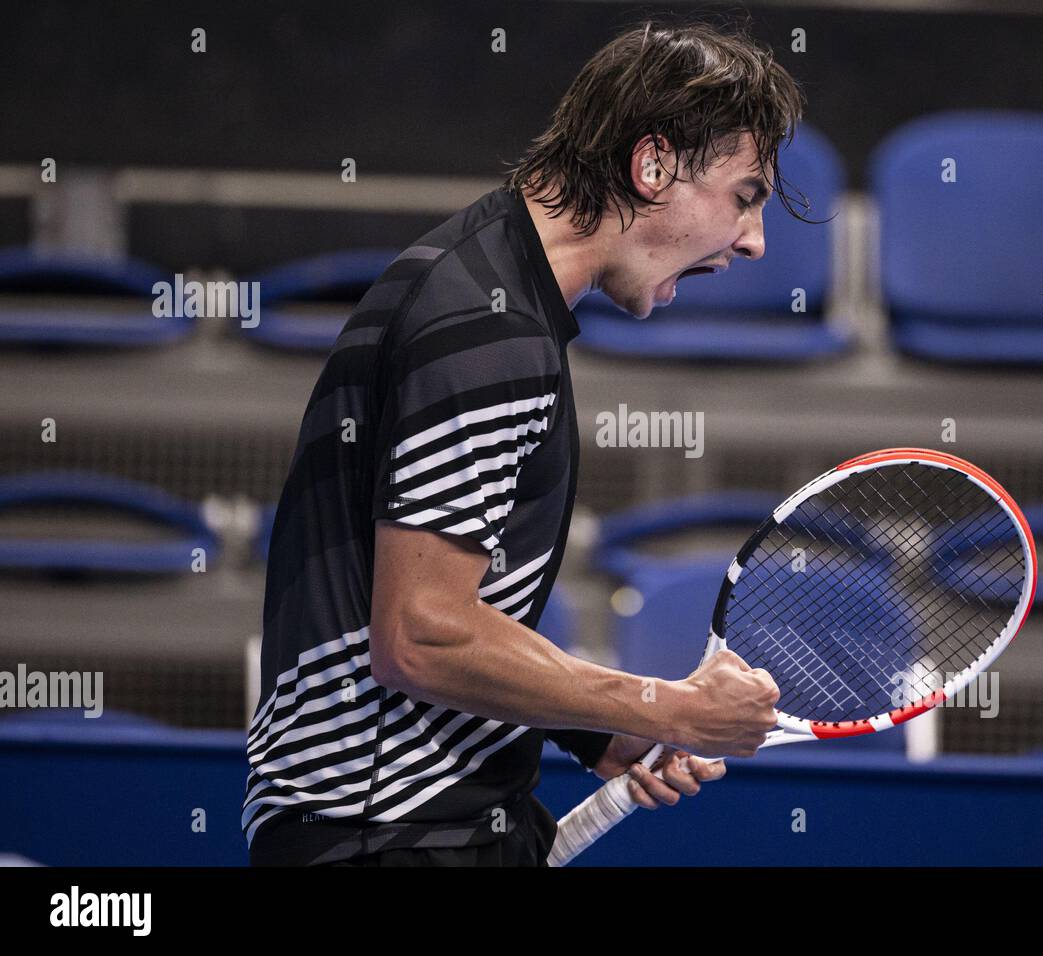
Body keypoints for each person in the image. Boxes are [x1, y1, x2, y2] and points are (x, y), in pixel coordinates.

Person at [245, 18, 813, 867]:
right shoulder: (487, 330)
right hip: (389, 837)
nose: (754, 240)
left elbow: (455, 616)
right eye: (745, 195)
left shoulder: (482, 282)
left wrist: (597, 729)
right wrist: (666, 708)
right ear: (652, 167)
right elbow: (422, 637)